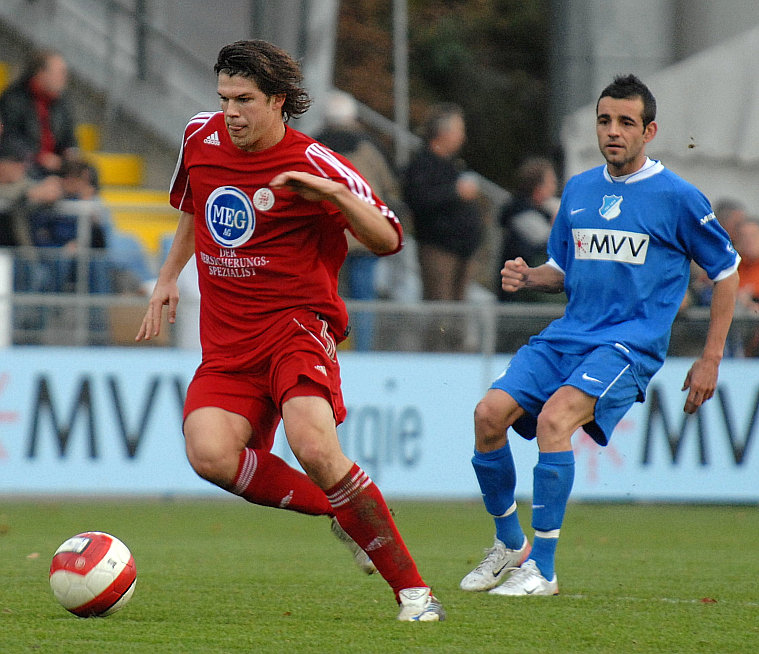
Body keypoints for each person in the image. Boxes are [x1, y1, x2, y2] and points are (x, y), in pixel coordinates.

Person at [135, 40, 444, 622]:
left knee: (314, 447)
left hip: (295, 327)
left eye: (245, 100)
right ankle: (343, 512)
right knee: (209, 453)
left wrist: (335, 196)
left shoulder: (317, 163)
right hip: (228, 341)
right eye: (225, 98)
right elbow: (194, 206)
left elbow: (388, 239)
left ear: (278, 100)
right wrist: (168, 276)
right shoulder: (199, 137)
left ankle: (416, 595)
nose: (231, 112)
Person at [460, 74, 740, 596]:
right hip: (569, 334)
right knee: (488, 416)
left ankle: (543, 570)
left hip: (628, 345)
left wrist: (712, 357)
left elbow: (726, 272)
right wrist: (531, 276)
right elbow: (564, 269)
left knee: (555, 419)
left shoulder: (677, 197)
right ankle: (509, 545)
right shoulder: (580, 188)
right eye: (605, 120)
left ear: (648, 131)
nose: (613, 131)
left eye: (626, 122)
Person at [315, 90, 409, 351]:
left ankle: (324, 348)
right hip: (363, 234)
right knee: (364, 297)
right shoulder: (371, 147)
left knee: (325, 297)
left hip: (326, 236)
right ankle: (363, 351)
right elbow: (390, 187)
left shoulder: (313, 146)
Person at [403, 103, 483, 350]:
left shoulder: (454, 165)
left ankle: (455, 356)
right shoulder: (422, 165)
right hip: (438, 248)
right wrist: (455, 193)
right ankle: (436, 355)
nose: (462, 137)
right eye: (459, 130)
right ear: (442, 133)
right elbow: (418, 200)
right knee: (440, 310)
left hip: (463, 248)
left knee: (459, 312)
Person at [0, 49, 79, 177]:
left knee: (86, 174)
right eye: (60, 73)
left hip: (56, 168)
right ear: (41, 73)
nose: (64, 78)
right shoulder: (14, 99)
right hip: (25, 165)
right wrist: (40, 157)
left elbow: (69, 139)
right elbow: (9, 138)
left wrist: (71, 155)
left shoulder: (63, 104)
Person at [496, 156, 558, 300]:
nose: (554, 187)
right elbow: (546, 242)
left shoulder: (543, 211)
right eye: (551, 182)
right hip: (519, 296)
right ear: (538, 187)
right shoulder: (520, 213)